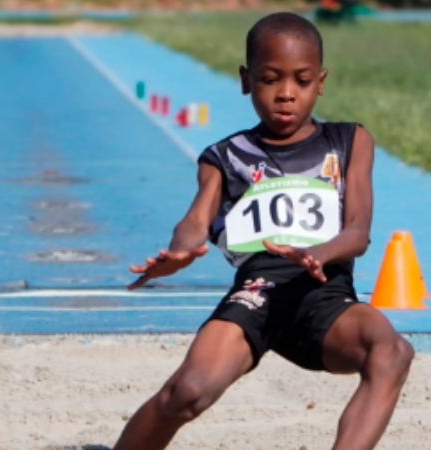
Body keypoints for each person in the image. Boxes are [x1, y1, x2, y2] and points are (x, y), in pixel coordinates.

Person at [117, 12, 414, 450]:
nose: (286, 94)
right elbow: (195, 222)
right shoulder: (225, 156)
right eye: (270, 80)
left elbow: (358, 232)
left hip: (325, 296)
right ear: (245, 80)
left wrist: (319, 252)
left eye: (302, 80)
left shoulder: (350, 141)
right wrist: (179, 254)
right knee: (188, 392)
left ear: (321, 81)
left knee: (392, 352)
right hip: (257, 293)